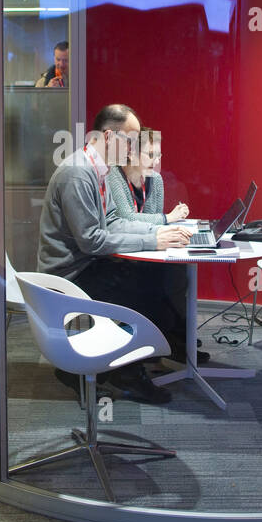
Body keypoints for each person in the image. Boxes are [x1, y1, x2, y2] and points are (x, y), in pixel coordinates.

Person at [37, 104, 192, 403]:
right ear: (110, 137)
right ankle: (121, 372)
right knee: (147, 295)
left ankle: (121, 367)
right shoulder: (78, 173)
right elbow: (92, 241)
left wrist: (157, 234)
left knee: (157, 279)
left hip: (88, 264)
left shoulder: (98, 170)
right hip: (69, 274)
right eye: (131, 139)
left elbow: (115, 222)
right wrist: (153, 242)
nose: (135, 147)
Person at [105, 128, 189, 225]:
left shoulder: (156, 179)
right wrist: (169, 217)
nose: (156, 161)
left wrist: (170, 218)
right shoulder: (113, 174)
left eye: (158, 156)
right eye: (151, 154)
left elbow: (156, 222)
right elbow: (125, 218)